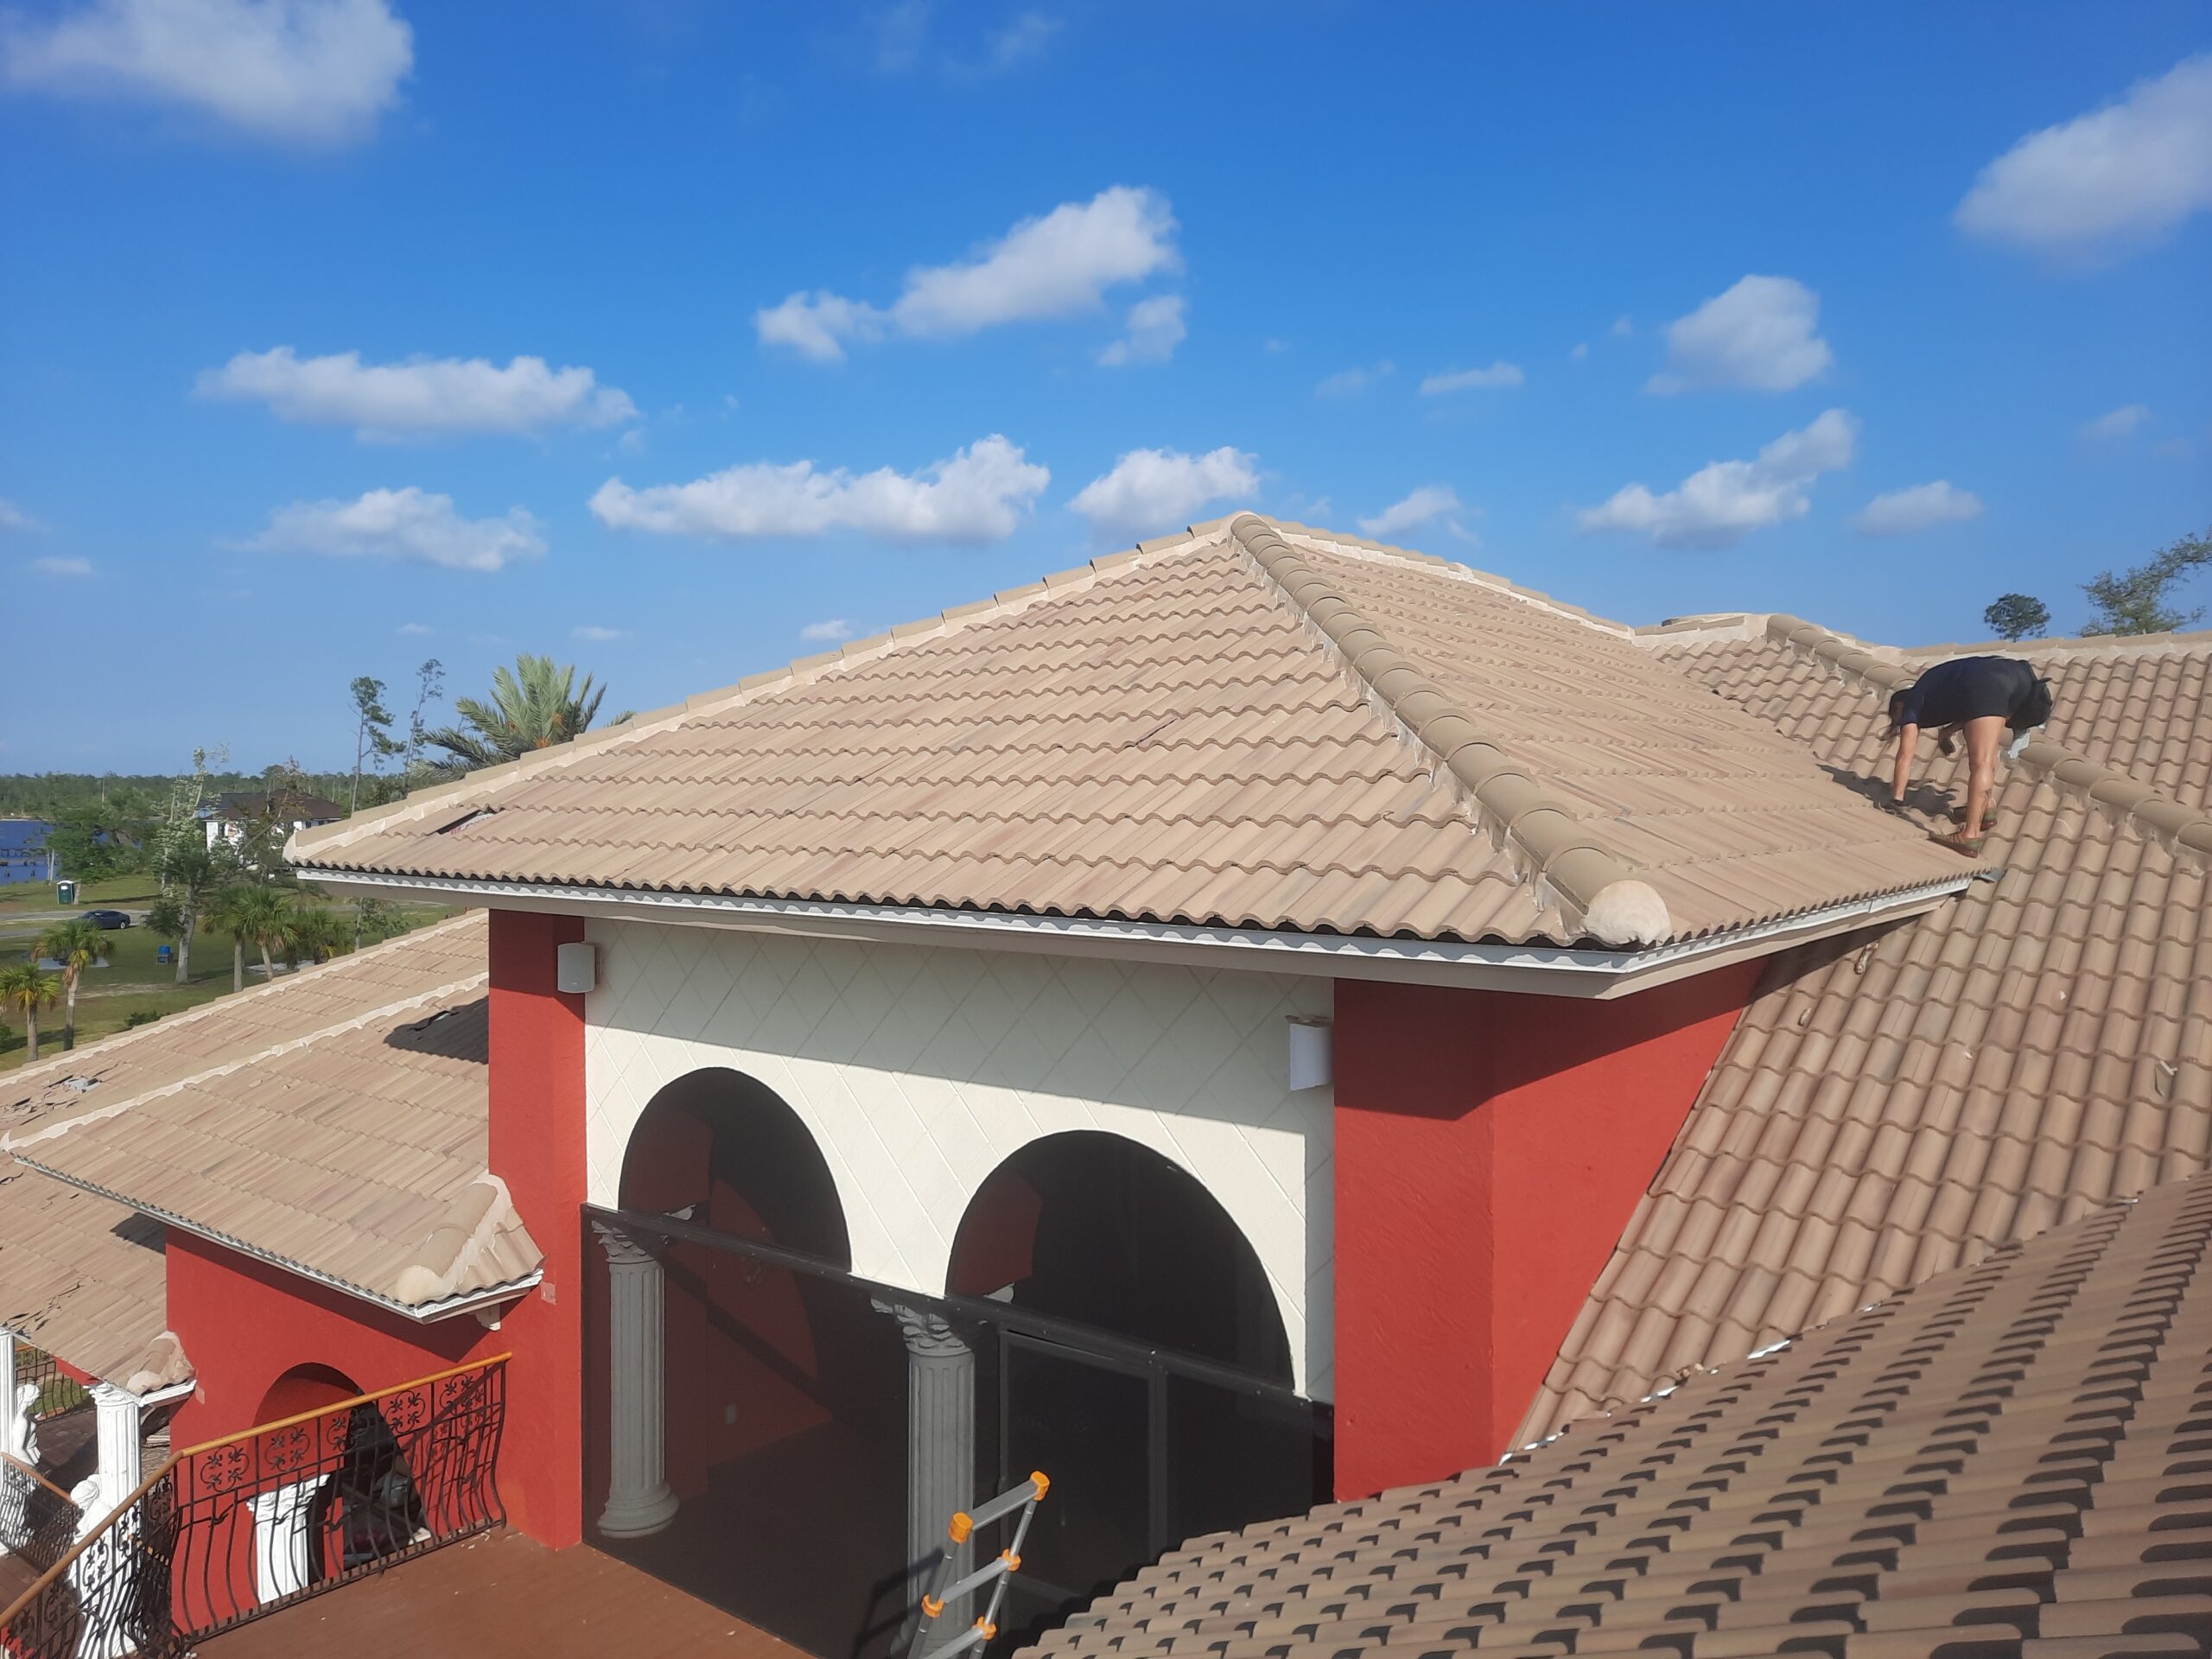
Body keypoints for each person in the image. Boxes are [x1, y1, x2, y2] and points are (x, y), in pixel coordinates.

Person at [1887, 655, 2053, 854]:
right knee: (1986, 751)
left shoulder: (1912, 699)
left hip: (1988, 682)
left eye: (1896, 718)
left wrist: (1897, 798)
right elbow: (1974, 713)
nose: (1900, 723)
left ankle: (1969, 835)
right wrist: (1946, 734)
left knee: (1981, 761)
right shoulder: (1938, 690)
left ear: (1899, 706)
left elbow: (1906, 754)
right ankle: (1985, 809)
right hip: (2020, 679)